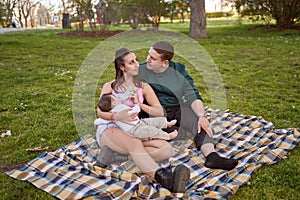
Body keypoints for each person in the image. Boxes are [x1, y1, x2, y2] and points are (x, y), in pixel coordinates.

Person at [95, 48, 190, 193]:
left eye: (136, 60)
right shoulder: (110, 86)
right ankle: (165, 179)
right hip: (110, 130)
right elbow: (100, 112)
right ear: (122, 67)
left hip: (133, 130)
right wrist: (116, 116)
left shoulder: (143, 87)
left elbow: (159, 111)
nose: (137, 64)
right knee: (135, 143)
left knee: (166, 149)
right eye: (131, 62)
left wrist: (140, 104)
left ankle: (115, 156)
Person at [138, 41, 238, 170]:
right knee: (156, 131)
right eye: (148, 55)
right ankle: (179, 132)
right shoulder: (140, 70)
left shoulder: (179, 70)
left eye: (152, 58)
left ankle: (212, 157)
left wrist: (202, 116)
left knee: (199, 123)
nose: (148, 60)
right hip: (152, 111)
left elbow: (192, 95)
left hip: (177, 107)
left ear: (165, 62)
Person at [95, 93, 178, 141]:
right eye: (115, 98)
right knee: (151, 130)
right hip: (133, 130)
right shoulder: (119, 108)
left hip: (138, 123)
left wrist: (96, 122)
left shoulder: (114, 111)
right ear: (113, 103)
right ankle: (167, 136)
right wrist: (136, 103)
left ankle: (167, 123)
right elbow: (135, 111)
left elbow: (101, 120)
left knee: (151, 121)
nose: (118, 98)